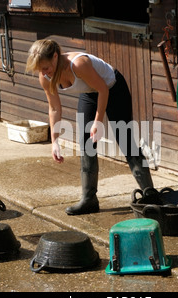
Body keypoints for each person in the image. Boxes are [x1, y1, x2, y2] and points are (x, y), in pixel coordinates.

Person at [26, 39, 154, 215]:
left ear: (55, 57)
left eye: (46, 67)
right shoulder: (45, 76)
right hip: (89, 93)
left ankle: (150, 196)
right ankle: (89, 199)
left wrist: (98, 121)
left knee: (125, 141)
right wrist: (54, 140)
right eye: (40, 69)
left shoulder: (78, 64)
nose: (43, 72)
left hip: (112, 88)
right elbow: (54, 107)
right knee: (86, 143)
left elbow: (103, 89)